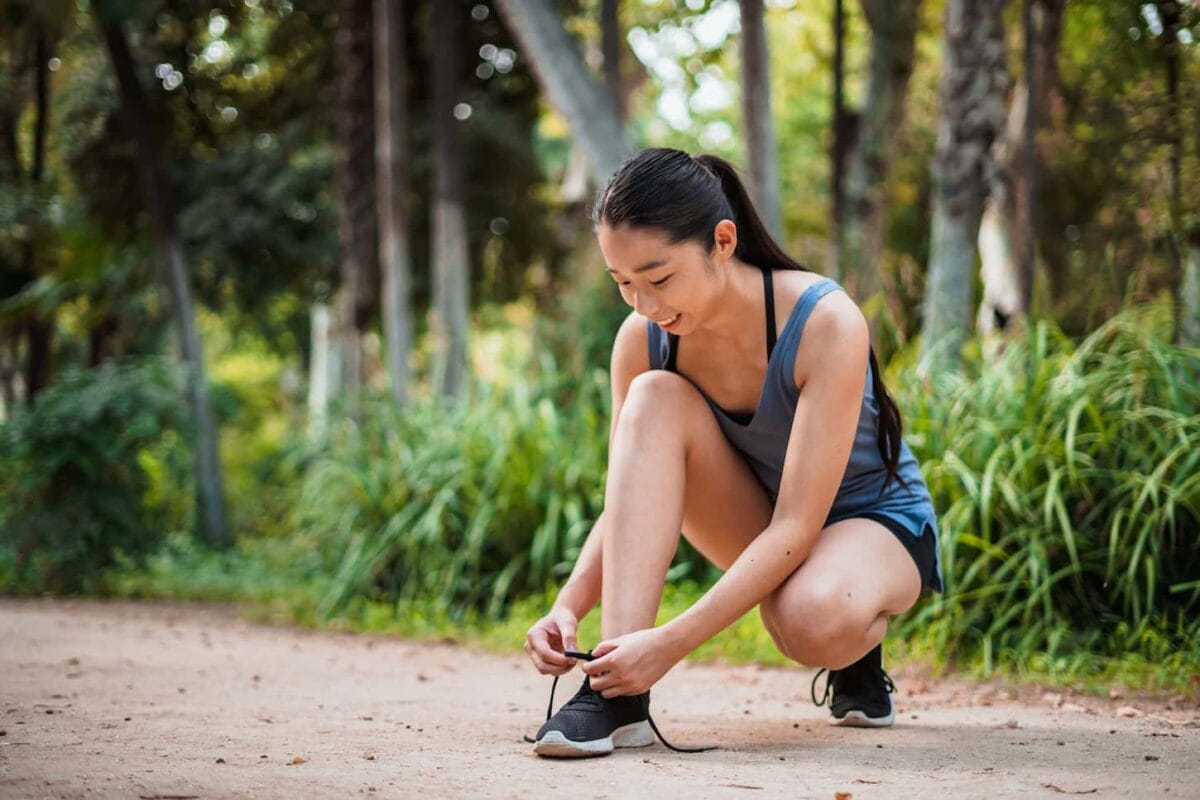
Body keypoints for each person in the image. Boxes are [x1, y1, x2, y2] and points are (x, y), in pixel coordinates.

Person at [523, 148, 943, 758]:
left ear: (722, 241)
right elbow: (628, 499)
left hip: (872, 520)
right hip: (759, 519)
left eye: (659, 278)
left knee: (810, 619)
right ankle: (616, 697)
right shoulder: (644, 339)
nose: (645, 305)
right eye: (624, 285)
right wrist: (567, 608)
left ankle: (856, 648)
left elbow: (800, 524)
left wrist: (668, 645)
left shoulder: (825, 321)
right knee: (652, 397)